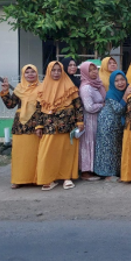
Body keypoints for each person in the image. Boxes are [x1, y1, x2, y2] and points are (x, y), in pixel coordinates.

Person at [35, 61, 84, 191]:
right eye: (53, 70)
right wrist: (38, 126)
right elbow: (38, 109)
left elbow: (78, 106)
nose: (56, 73)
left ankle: (66, 177)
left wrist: (80, 122)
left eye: (58, 70)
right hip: (49, 126)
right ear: (48, 71)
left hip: (67, 125)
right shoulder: (42, 88)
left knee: (66, 152)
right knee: (48, 152)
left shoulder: (70, 86)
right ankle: (48, 178)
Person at [0, 65, 41, 188]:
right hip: (20, 126)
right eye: (27, 72)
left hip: (35, 124)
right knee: (20, 154)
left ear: (37, 73)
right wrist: (5, 91)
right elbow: (10, 105)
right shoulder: (19, 88)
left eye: (32, 71)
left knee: (34, 153)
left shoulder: (42, 88)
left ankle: (36, 178)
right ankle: (19, 179)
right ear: (23, 75)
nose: (30, 74)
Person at [94, 70, 131, 181]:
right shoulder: (111, 94)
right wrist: (125, 96)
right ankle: (107, 174)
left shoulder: (127, 88)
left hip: (117, 124)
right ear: (112, 82)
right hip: (107, 124)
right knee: (108, 149)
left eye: (122, 80)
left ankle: (116, 171)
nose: (120, 83)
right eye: (116, 81)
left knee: (116, 149)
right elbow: (118, 109)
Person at [78, 62, 105, 181]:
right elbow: (89, 107)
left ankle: (94, 169)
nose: (94, 72)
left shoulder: (97, 84)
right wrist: (102, 105)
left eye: (95, 69)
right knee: (89, 144)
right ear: (85, 73)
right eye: (90, 70)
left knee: (95, 143)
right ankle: (86, 172)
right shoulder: (86, 87)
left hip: (97, 119)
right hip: (90, 120)